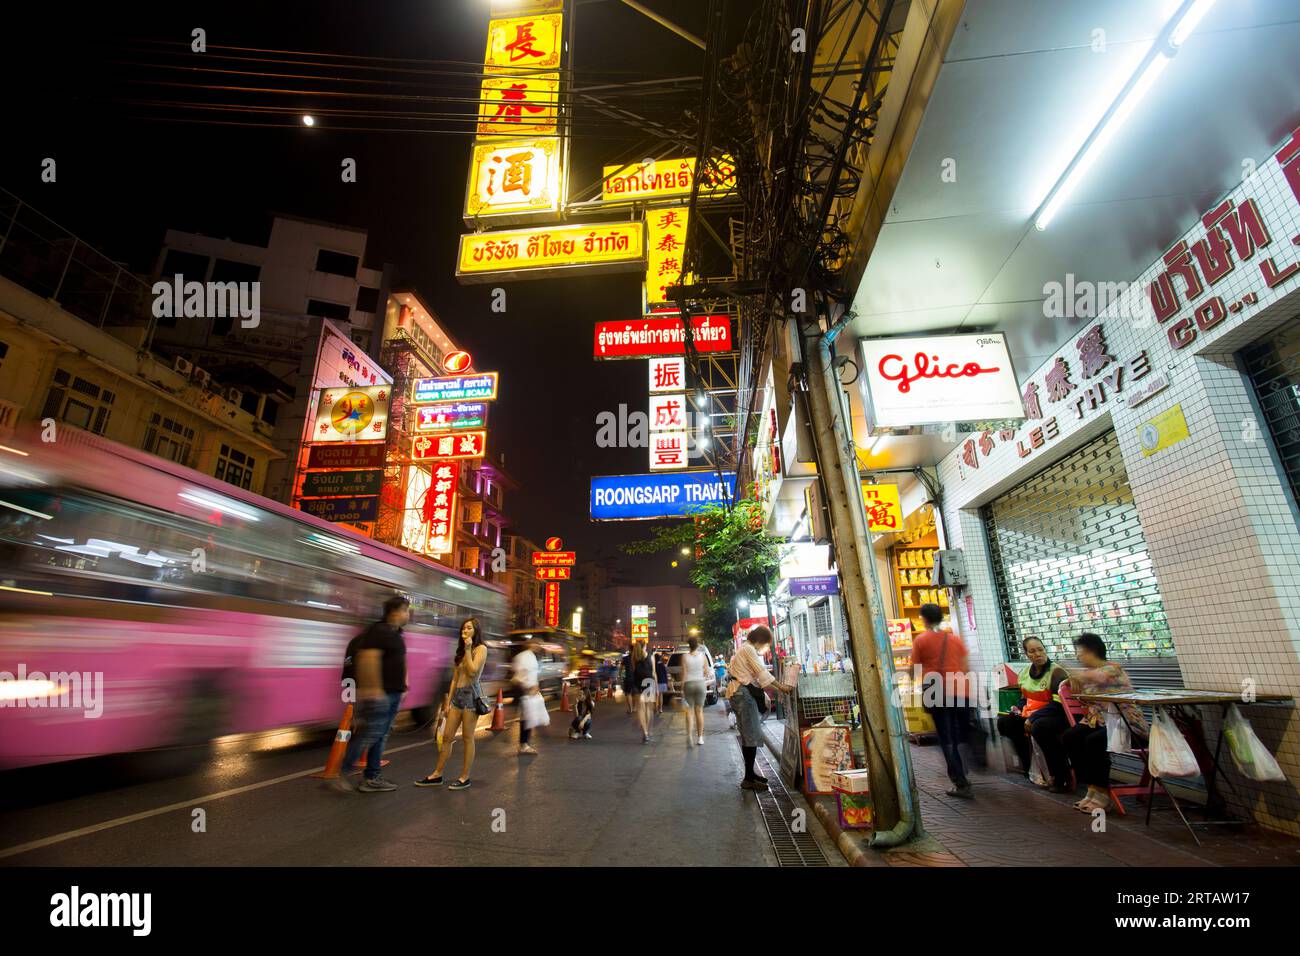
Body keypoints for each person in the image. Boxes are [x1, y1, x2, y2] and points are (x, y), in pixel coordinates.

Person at [1062, 632, 1148, 813]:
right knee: (1071, 736)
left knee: (1094, 741)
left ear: (1093, 650)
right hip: (1099, 723)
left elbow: (1098, 677)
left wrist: (1071, 675)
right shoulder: (1086, 674)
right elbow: (1075, 681)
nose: (1078, 656)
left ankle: (1102, 791)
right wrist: (1068, 679)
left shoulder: (1113, 669)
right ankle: (1092, 786)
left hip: (1126, 726)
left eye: (1080, 651)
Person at [336, 595, 410, 793]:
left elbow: (400, 662)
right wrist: (375, 691)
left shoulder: (396, 633)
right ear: (395, 612)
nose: (408, 614)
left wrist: (404, 686)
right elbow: (368, 660)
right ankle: (344, 771)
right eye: (406, 610)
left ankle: (372, 777)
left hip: (392, 693)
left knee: (378, 736)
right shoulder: (379, 631)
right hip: (381, 695)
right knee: (369, 735)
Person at [415, 618, 487, 791]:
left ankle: (465, 777)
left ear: (476, 631)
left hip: (471, 697)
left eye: (469, 628)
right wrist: (447, 702)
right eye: (463, 628)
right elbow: (455, 678)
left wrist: (469, 648)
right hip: (457, 698)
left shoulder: (481, 649)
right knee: (447, 737)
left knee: (467, 738)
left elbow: (472, 672)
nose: (465, 630)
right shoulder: (462, 650)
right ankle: (437, 774)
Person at [912, 603, 974, 798]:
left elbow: (915, 669)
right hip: (961, 690)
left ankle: (960, 781)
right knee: (960, 734)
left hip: (937, 691)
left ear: (923, 619)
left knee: (946, 738)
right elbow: (965, 666)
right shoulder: (955, 639)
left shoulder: (921, 640)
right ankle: (965, 771)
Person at [995, 637, 1071, 792]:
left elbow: (1058, 705)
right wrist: (1018, 708)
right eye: (1032, 651)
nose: (1038, 654)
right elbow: (1024, 698)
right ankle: (1029, 766)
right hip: (1032, 714)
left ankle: (1060, 776)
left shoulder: (1056, 672)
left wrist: (1034, 717)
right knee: (1005, 723)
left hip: (1056, 714)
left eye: (1040, 649)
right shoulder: (1024, 673)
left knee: (1040, 728)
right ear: (1027, 654)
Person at [727, 626, 794, 790]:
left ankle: (750, 774)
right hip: (743, 694)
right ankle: (748, 778)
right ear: (760, 640)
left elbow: (759, 676)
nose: (766, 648)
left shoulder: (744, 649)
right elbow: (762, 673)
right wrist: (783, 688)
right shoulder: (749, 649)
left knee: (749, 734)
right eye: (766, 644)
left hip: (738, 693)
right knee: (751, 735)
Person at [511, 636, 542, 756]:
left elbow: (532, 674)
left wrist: (535, 686)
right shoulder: (524, 656)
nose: (539, 646)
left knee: (527, 716)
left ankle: (524, 744)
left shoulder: (531, 656)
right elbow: (519, 675)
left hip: (529, 690)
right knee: (527, 717)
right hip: (523, 689)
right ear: (531, 644)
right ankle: (524, 744)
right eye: (537, 644)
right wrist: (528, 687)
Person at [680, 637, 709, 747]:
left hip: (689, 684)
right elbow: (706, 671)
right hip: (700, 684)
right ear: (697, 645)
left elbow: (684, 674)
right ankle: (700, 738)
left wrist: (682, 689)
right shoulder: (703, 656)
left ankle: (689, 736)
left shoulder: (684, 657)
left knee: (689, 711)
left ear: (689, 645)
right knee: (699, 711)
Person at [630, 643, 656, 742]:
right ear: (644, 647)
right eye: (646, 646)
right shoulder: (651, 657)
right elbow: (653, 673)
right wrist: (656, 686)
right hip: (648, 683)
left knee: (640, 709)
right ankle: (648, 732)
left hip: (637, 684)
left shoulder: (634, 658)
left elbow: (634, 671)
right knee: (648, 709)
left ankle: (645, 733)